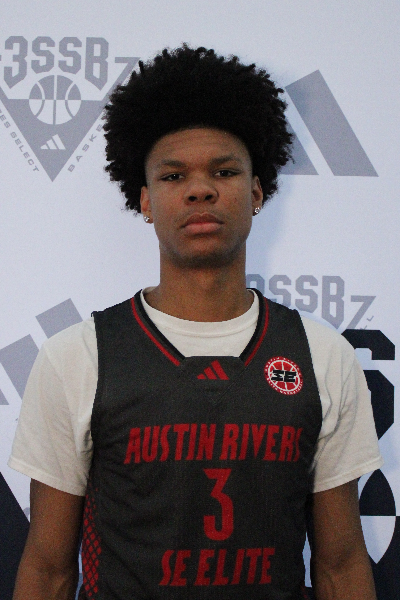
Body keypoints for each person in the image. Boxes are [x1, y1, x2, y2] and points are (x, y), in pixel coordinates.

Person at [9, 45, 382, 600]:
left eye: (224, 171)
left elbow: (342, 566)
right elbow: (47, 569)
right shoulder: (78, 357)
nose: (200, 189)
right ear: (145, 201)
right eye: (174, 175)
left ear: (256, 193)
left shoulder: (322, 355)